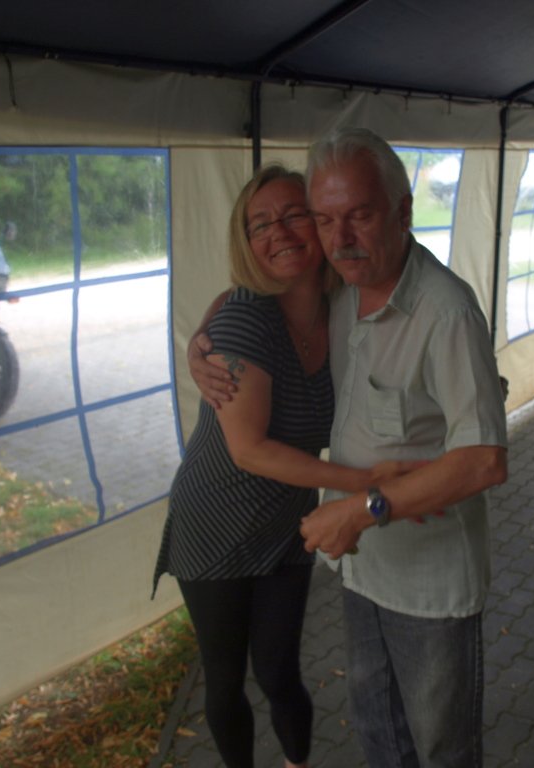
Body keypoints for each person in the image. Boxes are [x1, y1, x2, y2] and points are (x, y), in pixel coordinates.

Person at [192, 128, 508, 768]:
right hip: (362, 567)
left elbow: (484, 459)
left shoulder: (445, 312)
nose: (340, 238)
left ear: (402, 211)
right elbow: (244, 294)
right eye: (325, 218)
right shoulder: (340, 290)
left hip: (424, 579)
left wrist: (365, 504)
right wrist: (199, 342)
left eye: (359, 215)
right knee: (378, 731)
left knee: (441, 748)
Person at [154, 164, 407, 768]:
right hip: (212, 523)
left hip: (285, 523)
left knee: (280, 672)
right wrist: (365, 484)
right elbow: (249, 450)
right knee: (224, 678)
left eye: (295, 215)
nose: (280, 233)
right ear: (246, 242)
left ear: (321, 224)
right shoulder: (246, 318)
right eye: (260, 224)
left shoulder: (342, 309)